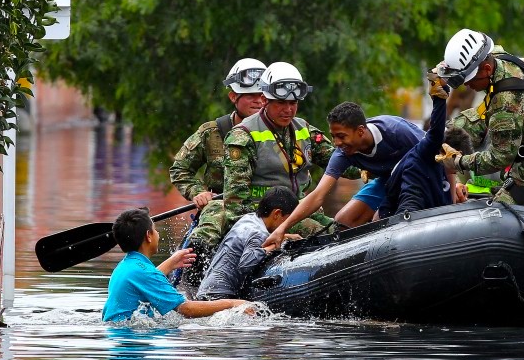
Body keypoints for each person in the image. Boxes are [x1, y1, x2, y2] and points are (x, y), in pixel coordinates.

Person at [262, 101, 426, 247]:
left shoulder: (396, 131)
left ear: (360, 131)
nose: (336, 143)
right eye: (333, 137)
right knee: (343, 222)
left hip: (418, 179)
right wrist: (282, 228)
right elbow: (318, 195)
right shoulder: (342, 153)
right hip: (386, 183)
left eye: (341, 136)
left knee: (380, 220)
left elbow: (437, 155)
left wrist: (451, 195)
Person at [434, 29, 524, 207]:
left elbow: (500, 158)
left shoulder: (507, 101)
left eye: (470, 79)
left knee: (497, 214)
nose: (467, 85)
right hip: (514, 129)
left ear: (487, 69)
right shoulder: (495, 56)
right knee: (446, 133)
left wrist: (458, 162)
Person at [170, 58, 267, 284]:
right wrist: (197, 192)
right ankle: (195, 286)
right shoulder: (211, 132)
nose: (258, 101)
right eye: (250, 95)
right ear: (233, 96)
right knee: (208, 227)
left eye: (263, 95)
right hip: (223, 203)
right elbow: (180, 168)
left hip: (268, 202)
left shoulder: (282, 130)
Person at [222, 61, 343, 239]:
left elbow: (341, 162)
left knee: (341, 229)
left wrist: (372, 160)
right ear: (264, 100)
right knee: (318, 232)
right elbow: (235, 205)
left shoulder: (304, 129)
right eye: (281, 103)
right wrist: (264, 235)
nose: (288, 110)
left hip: (300, 208)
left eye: (293, 103)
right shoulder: (242, 136)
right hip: (265, 217)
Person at [102, 207, 249, 322]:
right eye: (154, 230)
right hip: (131, 340)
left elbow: (147, 281)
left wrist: (171, 263)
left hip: (121, 338)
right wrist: (232, 304)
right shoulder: (142, 272)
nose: (157, 234)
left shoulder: (126, 266)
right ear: (148, 236)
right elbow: (186, 309)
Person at [378, 73, 474, 218]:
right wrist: (439, 94)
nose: (456, 172)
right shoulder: (426, 153)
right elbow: (436, 131)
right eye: (456, 167)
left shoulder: (446, 174)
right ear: (447, 151)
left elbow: (448, 207)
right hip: (404, 213)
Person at [196, 186, 299, 301]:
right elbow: (246, 263)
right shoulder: (259, 233)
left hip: (207, 290)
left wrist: (284, 236)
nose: (289, 226)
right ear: (277, 214)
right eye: (288, 219)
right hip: (219, 295)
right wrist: (274, 245)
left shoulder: (248, 219)